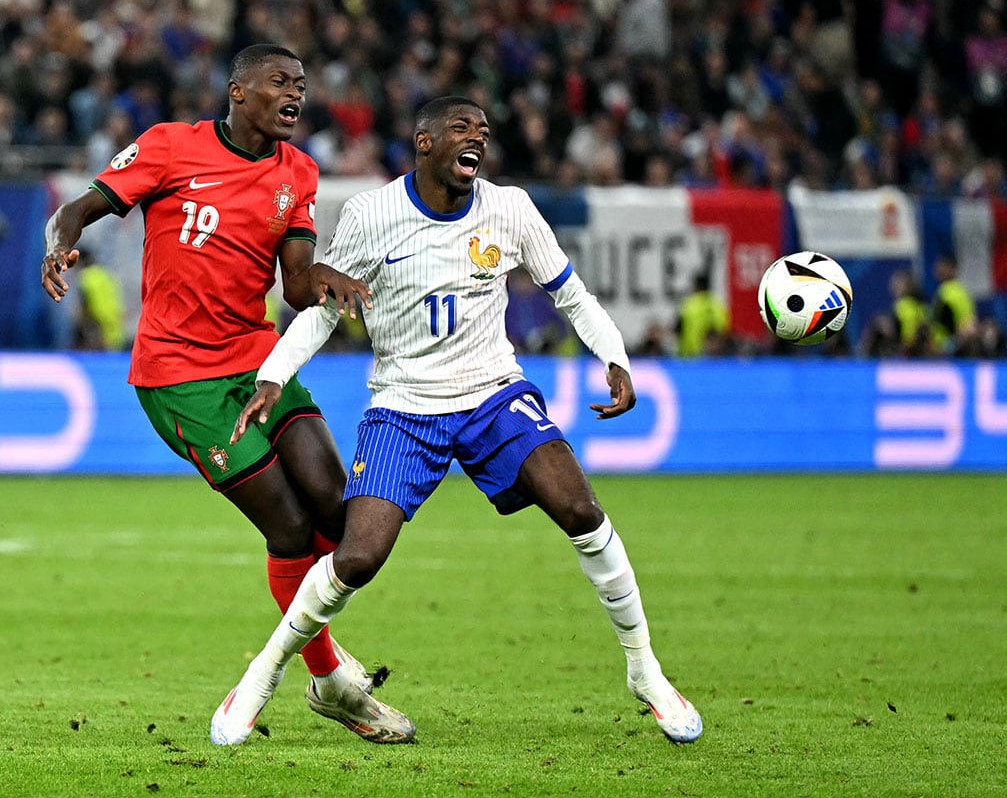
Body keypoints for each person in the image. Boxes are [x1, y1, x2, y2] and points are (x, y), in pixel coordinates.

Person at [210, 96, 703, 746]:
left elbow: (570, 294)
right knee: (357, 557)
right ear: (424, 141)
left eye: (485, 130)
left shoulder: (510, 209)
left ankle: (647, 672)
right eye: (462, 127)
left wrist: (614, 357)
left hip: (493, 393)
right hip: (404, 406)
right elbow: (324, 311)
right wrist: (273, 375)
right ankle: (265, 674)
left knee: (580, 509)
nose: (478, 137)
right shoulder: (372, 215)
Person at [39, 44, 408, 743]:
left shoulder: (296, 171)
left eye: (301, 83)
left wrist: (332, 273)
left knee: (338, 515)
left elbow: (295, 284)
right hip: (181, 378)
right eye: (279, 82)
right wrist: (56, 245)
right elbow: (77, 211)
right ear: (238, 92)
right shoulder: (169, 147)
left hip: (257, 359)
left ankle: (324, 675)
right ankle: (330, 680)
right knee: (291, 532)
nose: (295, 93)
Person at [675, 272, 730, 356]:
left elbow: (678, 328)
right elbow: (723, 328)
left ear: (696, 286)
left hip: (689, 353)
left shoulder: (688, 304)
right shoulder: (716, 305)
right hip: (712, 355)